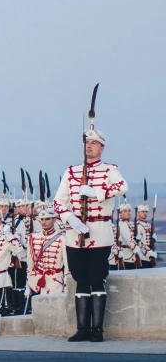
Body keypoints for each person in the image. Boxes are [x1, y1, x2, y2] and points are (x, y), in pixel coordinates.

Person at [53, 128, 128, 342]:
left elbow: (123, 186)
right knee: (80, 279)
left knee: (97, 278)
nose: (89, 146)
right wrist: (70, 218)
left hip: (100, 232)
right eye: (87, 142)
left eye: (94, 143)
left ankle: (97, 330)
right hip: (75, 234)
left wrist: (97, 192)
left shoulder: (109, 169)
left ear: (102, 148)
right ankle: (82, 329)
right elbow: (58, 201)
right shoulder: (72, 171)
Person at [26, 208, 68, 301]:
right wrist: (28, 286)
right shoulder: (32, 238)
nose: (44, 222)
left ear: (54, 220)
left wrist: (66, 286)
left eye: (47, 219)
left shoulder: (62, 239)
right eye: (42, 219)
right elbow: (30, 265)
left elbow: (67, 267)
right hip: (36, 282)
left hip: (54, 282)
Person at [116, 202, 141, 270]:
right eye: (125, 211)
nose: (128, 212)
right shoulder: (121, 225)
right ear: (120, 213)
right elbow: (128, 240)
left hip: (132, 255)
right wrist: (137, 250)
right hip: (126, 255)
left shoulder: (130, 224)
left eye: (129, 211)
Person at [136, 204, 157, 268]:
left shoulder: (149, 225)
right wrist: (149, 254)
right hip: (142, 256)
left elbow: (154, 240)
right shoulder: (138, 226)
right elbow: (140, 243)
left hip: (150, 255)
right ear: (138, 213)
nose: (145, 213)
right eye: (143, 212)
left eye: (146, 212)